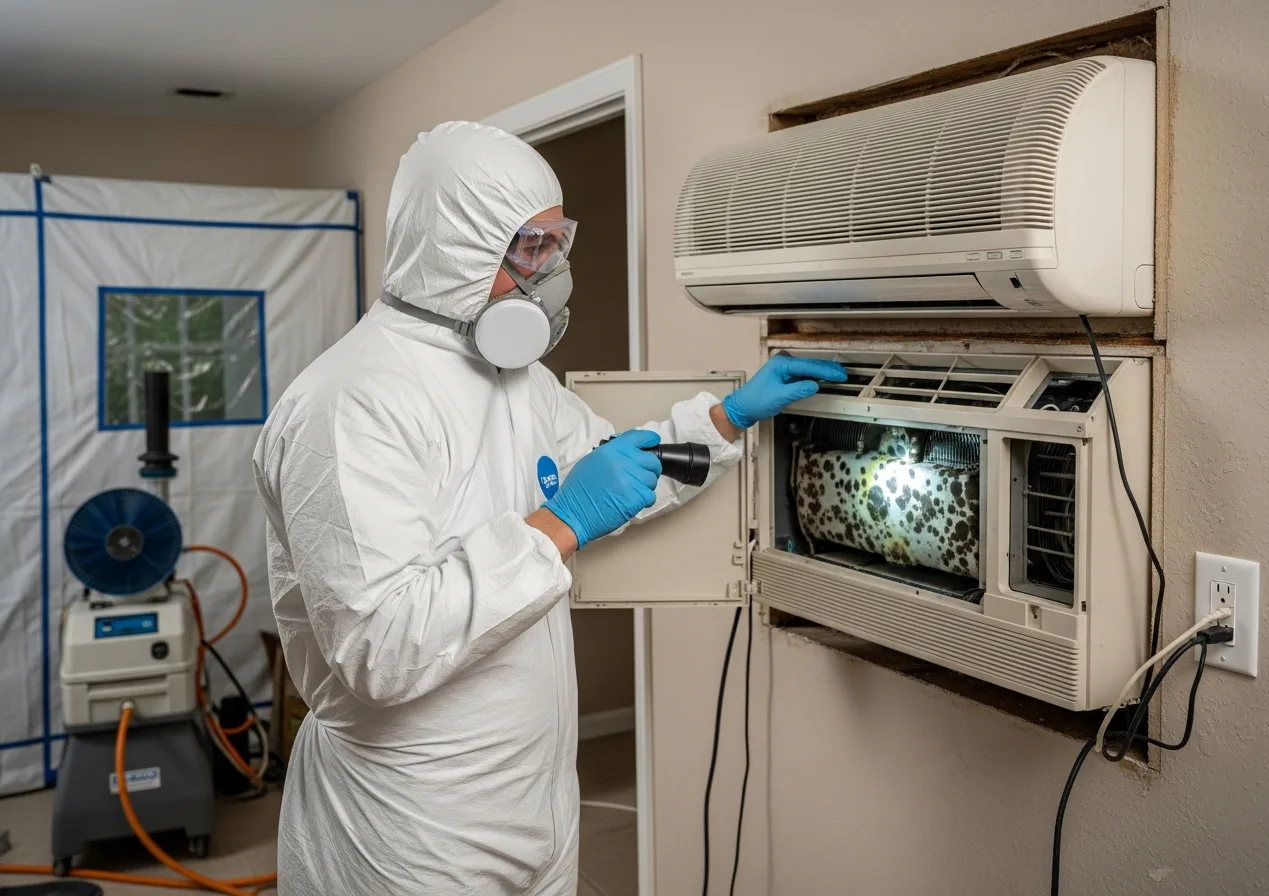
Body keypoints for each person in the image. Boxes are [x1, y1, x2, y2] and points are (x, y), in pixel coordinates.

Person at [252, 120, 846, 896]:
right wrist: (560, 524)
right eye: (530, 250)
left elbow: (615, 478)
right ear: (456, 250)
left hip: (531, 791)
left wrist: (725, 418)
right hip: (408, 822)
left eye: (554, 243)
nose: (553, 272)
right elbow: (380, 646)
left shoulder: (517, 378)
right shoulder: (351, 404)